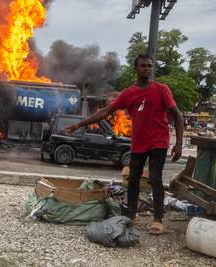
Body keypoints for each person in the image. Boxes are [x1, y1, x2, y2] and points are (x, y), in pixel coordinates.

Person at [65, 54, 183, 235]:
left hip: (159, 140)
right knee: (133, 179)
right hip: (139, 142)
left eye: (149, 66)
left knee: (155, 179)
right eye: (143, 66)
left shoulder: (162, 89)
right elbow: (105, 111)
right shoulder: (128, 93)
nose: (147, 69)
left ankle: (158, 219)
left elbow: (178, 115)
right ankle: (132, 214)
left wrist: (179, 144)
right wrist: (79, 124)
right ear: (136, 68)